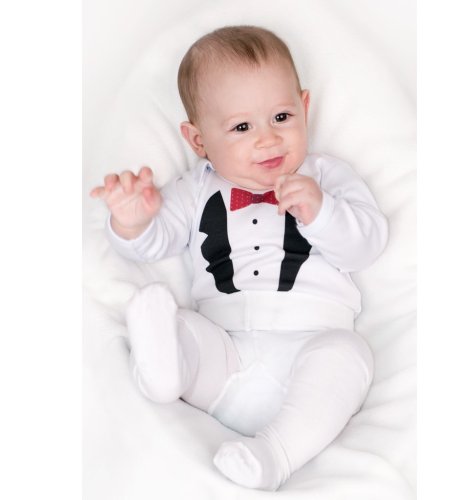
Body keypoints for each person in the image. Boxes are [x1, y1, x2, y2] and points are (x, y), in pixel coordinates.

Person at [90, 25, 388, 491]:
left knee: (350, 356)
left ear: (305, 107)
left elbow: (367, 244)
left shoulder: (327, 177)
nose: (267, 140)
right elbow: (154, 244)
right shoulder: (195, 189)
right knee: (183, 325)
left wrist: (322, 211)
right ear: (198, 141)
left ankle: (274, 454)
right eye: (242, 128)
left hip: (311, 347)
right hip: (225, 358)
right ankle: (164, 373)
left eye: (282, 117)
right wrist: (133, 221)